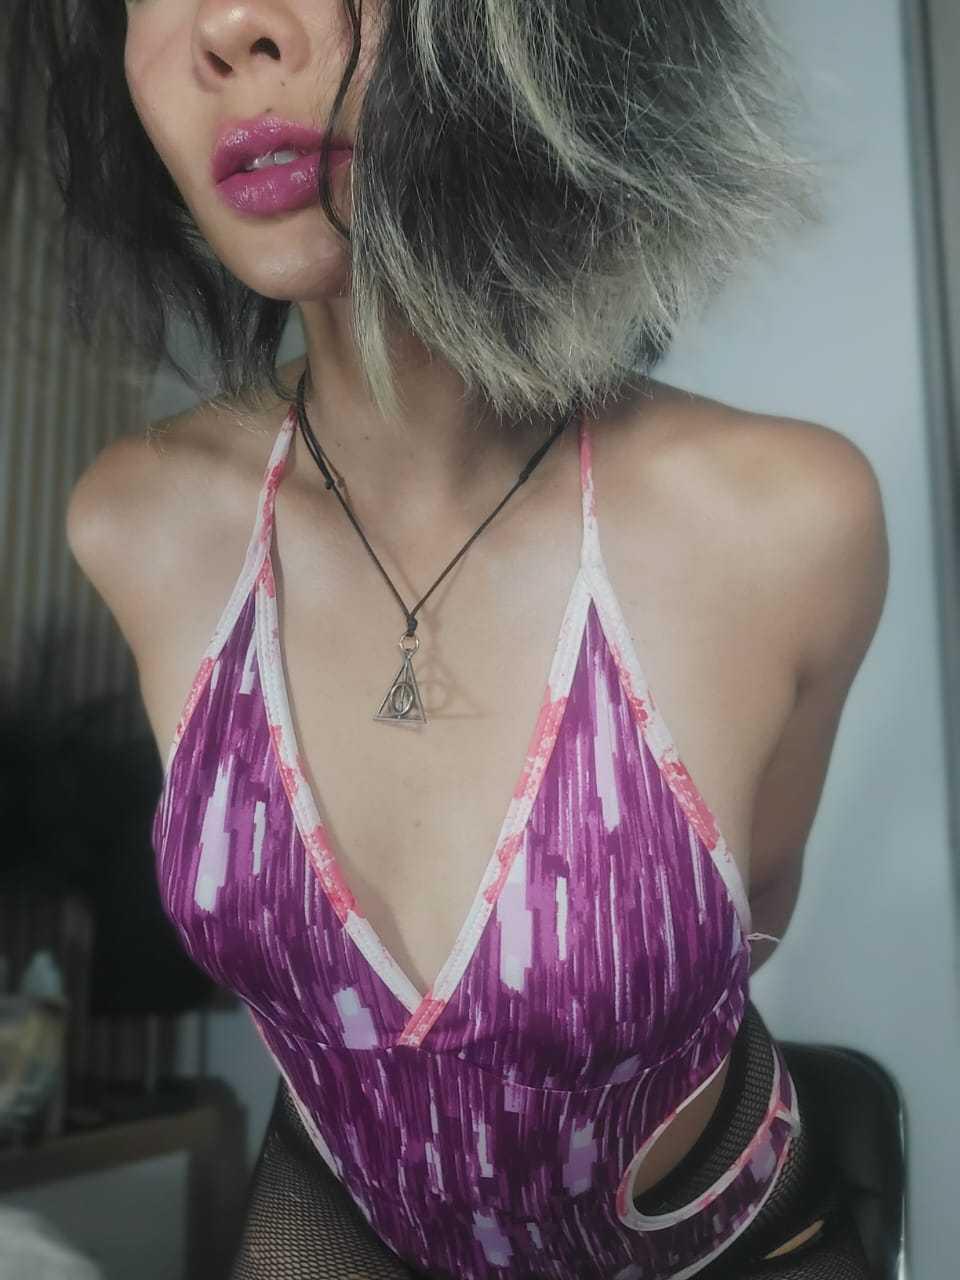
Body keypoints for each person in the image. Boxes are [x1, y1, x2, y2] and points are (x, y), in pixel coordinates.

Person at [2, 1, 889, 1277]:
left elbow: (761, 900)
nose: (232, 26)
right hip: (340, 1216)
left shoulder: (788, 518)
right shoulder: (137, 520)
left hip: (712, 1237)